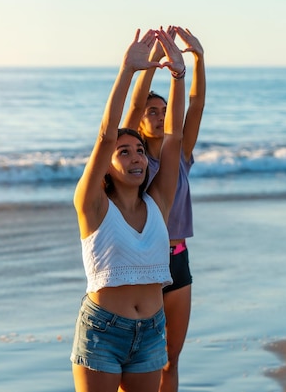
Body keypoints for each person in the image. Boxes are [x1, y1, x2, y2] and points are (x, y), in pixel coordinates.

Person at [70, 27, 186, 392]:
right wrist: (127, 71)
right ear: (106, 164)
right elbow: (106, 134)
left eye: (138, 151)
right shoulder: (91, 205)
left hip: (151, 331)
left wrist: (180, 76)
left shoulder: (159, 203)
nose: (136, 157)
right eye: (124, 152)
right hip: (103, 332)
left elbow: (174, 137)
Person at [120, 26, 205, 392]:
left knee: (170, 359)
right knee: (138, 360)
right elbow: (133, 107)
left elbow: (197, 104)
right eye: (151, 111)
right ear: (140, 122)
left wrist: (197, 61)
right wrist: (150, 65)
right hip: (142, 261)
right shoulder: (135, 165)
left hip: (178, 258)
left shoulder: (180, 155)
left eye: (164, 111)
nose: (158, 115)